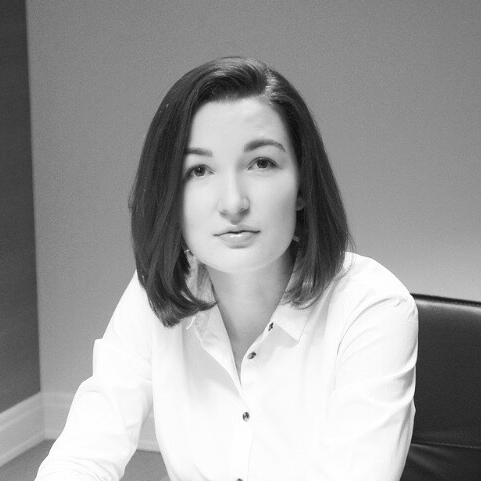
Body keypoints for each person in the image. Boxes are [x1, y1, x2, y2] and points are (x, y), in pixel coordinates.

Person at [35, 56, 418, 481]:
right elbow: (83, 453)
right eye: (199, 170)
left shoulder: (372, 307)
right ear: (170, 195)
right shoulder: (157, 292)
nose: (233, 203)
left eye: (261, 163)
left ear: (302, 186)